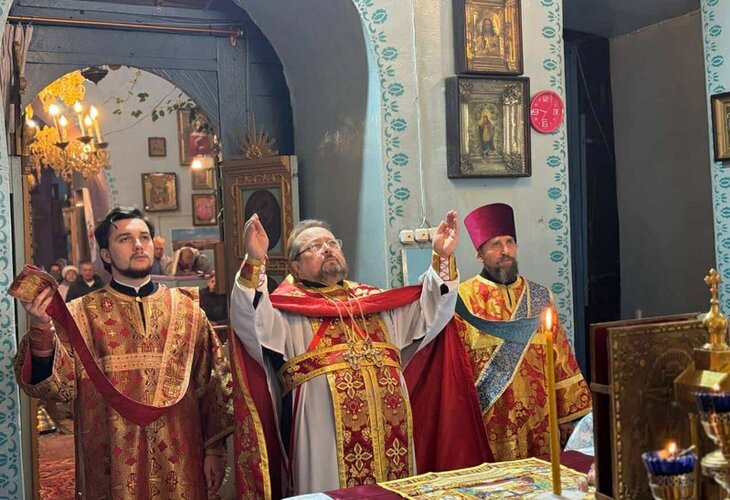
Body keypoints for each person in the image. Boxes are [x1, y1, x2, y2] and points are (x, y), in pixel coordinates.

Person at [229, 211, 459, 495]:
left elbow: (432, 311)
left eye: (331, 243)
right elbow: (249, 318)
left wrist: (442, 258)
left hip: (391, 439)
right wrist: (254, 261)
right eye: (314, 247)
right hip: (323, 441)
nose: (327, 249)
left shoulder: (375, 302)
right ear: (295, 266)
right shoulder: (284, 312)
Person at [13, 206, 233, 498]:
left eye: (144, 237)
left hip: (182, 458)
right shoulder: (80, 315)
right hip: (109, 461)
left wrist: (215, 450)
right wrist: (41, 327)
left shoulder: (189, 311)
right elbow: (54, 386)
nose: (138, 245)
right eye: (125, 239)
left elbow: (213, 384)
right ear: (105, 254)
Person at [456, 203, 591, 461]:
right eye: (495, 244)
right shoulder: (463, 299)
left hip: (539, 418)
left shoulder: (540, 296)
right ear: (479, 254)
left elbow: (560, 356)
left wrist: (568, 416)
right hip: (489, 420)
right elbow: (456, 364)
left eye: (509, 242)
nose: (504, 250)